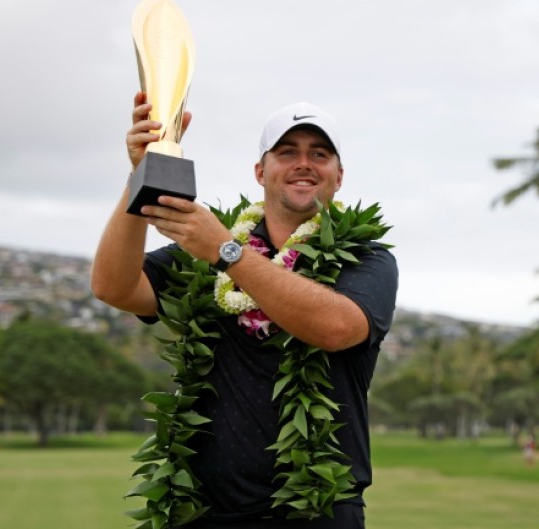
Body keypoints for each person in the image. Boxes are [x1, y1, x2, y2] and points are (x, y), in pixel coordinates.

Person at [91, 92, 398, 529]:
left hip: (318, 511)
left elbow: (336, 327)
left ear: (339, 175)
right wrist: (141, 175)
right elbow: (113, 286)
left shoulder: (366, 259)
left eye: (319, 154)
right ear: (260, 171)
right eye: (286, 152)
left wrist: (227, 251)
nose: (304, 163)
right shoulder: (208, 249)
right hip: (203, 510)